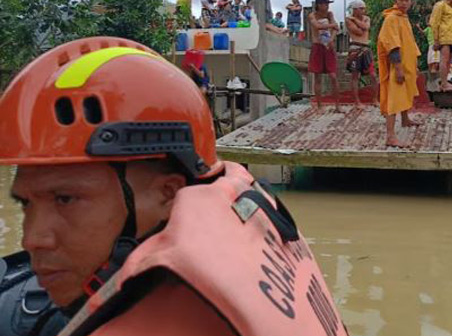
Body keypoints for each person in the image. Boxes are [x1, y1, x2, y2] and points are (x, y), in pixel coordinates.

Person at [0, 37, 346, 335]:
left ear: (170, 193)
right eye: (26, 204)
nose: (32, 239)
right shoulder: (247, 224)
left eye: (65, 199)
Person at [377, 0, 421, 147]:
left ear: (410, 1)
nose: (404, 3)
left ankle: (405, 119)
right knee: (394, 99)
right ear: (395, 1)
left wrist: (413, 63)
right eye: (401, 0)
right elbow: (392, 45)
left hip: (407, 63)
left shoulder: (403, 17)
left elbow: (409, 42)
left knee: (405, 92)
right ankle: (390, 136)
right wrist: (398, 68)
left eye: (407, 0)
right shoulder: (391, 18)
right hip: (396, 65)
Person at [308, 0, 341, 111]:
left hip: (328, 46)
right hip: (317, 46)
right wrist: (332, 25)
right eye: (325, 4)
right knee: (318, 77)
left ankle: (338, 105)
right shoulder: (312, 15)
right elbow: (317, 26)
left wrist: (331, 39)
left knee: (333, 76)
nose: (327, 6)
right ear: (319, 5)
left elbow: (336, 29)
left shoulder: (330, 14)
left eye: (327, 4)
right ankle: (319, 105)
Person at [345, 0, 378, 106]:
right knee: (355, 76)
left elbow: (366, 27)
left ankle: (374, 99)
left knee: (373, 75)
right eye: (361, 8)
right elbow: (358, 32)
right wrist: (358, 24)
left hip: (366, 48)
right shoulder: (348, 20)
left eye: (364, 8)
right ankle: (357, 101)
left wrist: (354, 19)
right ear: (355, 9)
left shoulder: (363, 18)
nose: (363, 10)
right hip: (355, 48)